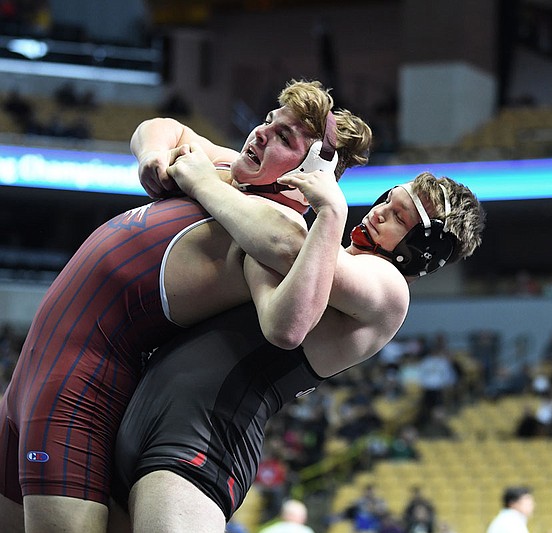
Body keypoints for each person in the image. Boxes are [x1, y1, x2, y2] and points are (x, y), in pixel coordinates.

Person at [0, 79, 372, 533]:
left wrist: (199, 181)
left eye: (284, 138)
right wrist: (153, 155)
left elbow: (287, 262)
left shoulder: (274, 224)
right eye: (271, 122)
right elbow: (162, 127)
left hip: (81, 384)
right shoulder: (230, 169)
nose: (261, 133)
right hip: (29, 377)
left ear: (313, 170)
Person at [111, 164, 484, 531]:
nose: (379, 211)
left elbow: (285, 245)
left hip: (202, 438)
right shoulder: (322, 267)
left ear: (422, 248)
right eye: (387, 200)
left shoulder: (390, 289)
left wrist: (205, 182)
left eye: (398, 216)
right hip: (158, 419)